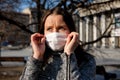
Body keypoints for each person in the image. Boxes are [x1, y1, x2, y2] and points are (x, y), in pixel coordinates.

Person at [20, 7, 96, 80]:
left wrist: (68, 56)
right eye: (49, 29)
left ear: (71, 31)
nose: (55, 33)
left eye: (61, 28)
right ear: (43, 33)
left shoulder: (86, 60)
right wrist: (37, 56)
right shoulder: (38, 60)